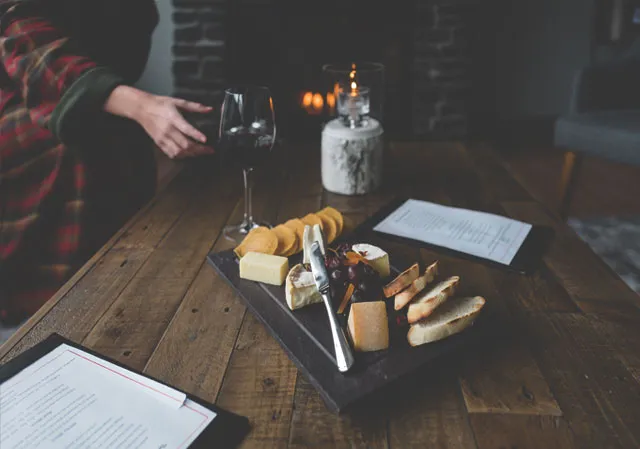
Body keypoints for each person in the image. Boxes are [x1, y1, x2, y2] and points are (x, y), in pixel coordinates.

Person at [0, 0, 214, 324]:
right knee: (73, 143)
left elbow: (122, 56)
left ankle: (113, 276)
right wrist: (139, 106)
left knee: (112, 134)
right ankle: (59, 303)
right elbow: (34, 51)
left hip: (88, 96)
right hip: (19, 99)